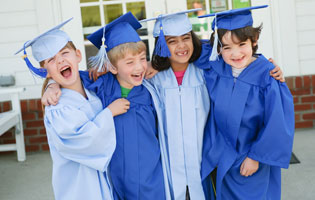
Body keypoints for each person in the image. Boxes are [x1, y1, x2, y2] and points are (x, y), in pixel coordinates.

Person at [140, 8, 285, 200]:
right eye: (171, 41)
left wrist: (268, 66)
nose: (181, 46)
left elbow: (231, 49)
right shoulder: (154, 80)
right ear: (161, 46)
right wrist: (150, 65)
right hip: (188, 161)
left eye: (185, 38)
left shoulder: (208, 71)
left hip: (220, 158)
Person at [42, 12, 166, 200]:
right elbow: (73, 78)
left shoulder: (151, 89)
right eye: (130, 62)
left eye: (142, 59)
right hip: (114, 178)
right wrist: (52, 84)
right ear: (112, 67)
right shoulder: (102, 85)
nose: (139, 67)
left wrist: (156, 64)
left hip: (150, 175)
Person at [15, 18, 130, 200]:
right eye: (51, 60)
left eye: (64, 53)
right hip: (80, 187)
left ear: (78, 55)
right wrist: (109, 112)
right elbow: (87, 141)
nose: (60, 61)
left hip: (104, 181)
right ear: (45, 71)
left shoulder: (91, 87)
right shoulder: (57, 108)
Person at [195, 5, 295, 199]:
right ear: (219, 48)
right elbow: (186, 52)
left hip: (250, 158)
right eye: (227, 47)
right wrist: (155, 65)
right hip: (221, 155)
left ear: (254, 41)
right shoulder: (217, 68)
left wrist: (256, 157)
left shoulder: (267, 76)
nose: (235, 54)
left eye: (242, 45)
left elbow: (277, 122)